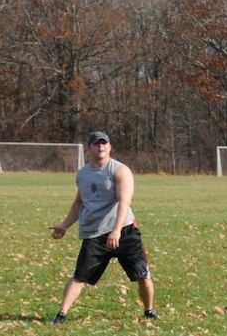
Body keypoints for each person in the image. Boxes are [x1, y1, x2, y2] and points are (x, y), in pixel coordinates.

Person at [50, 130, 158, 323]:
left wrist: (116, 230)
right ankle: (61, 314)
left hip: (124, 230)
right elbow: (79, 202)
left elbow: (124, 202)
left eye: (104, 143)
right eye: (97, 144)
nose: (101, 146)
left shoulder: (120, 170)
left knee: (142, 275)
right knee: (79, 276)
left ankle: (149, 310)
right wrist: (65, 225)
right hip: (95, 234)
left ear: (110, 147)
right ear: (90, 148)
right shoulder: (83, 174)